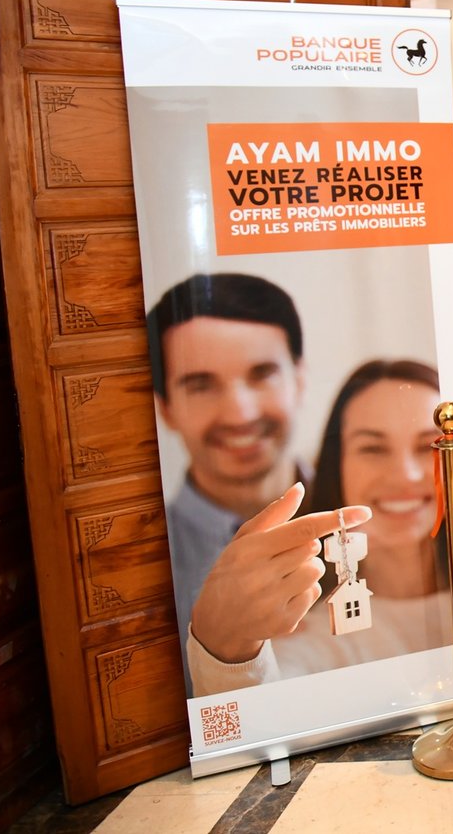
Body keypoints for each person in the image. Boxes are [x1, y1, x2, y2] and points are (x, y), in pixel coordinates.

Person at [186, 360, 453, 693]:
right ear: (337, 464)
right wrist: (229, 652)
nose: (405, 475)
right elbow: (266, 700)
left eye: (428, 445)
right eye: (372, 448)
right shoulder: (305, 630)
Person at [147, 272, 337, 667]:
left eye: (262, 374)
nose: (240, 414)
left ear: (300, 380)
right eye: (201, 385)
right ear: (165, 407)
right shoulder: (142, 564)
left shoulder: (385, 513)